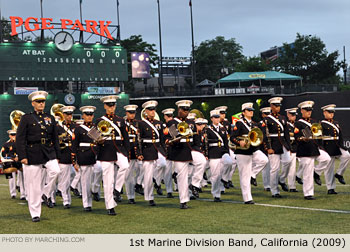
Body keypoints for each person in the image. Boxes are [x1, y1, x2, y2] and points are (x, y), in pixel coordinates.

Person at [16, 91, 61, 222]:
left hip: (48, 150)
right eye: (39, 102)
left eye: (43, 101)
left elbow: (55, 138)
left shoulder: (50, 118)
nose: (41, 104)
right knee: (33, 185)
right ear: (33, 103)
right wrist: (22, 156)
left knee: (56, 171)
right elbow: (20, 138)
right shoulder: (26, 118)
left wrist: (57, 154)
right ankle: (35, 213)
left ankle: (46, 193)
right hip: (32, 152)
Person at [96, 95, 130, 215]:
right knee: (108, 180)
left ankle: (117, 189)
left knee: (125, 166)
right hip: (105, 150)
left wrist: (128, 153)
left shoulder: (120, 120)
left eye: (113, 105)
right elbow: (96, 138)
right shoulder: (100, 121)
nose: (112, 108)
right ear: (105, 106)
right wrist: (98, 141)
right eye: (109, 105)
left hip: (119, 149)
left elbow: (126, 138)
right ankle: (110, 206)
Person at [231, 103, 267, 204]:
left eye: (252, 110)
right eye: (248, 110)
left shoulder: (254, 124)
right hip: (242, 152)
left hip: (252, 149)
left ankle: (253, 174)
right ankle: (247, 198)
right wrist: (239, 142)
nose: (251, 111)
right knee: (244, 175)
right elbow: (232, 137)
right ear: (243, 112)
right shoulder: (239, 123)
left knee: (264, 160)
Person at [294, 101, 330, 200]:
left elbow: (318, 134)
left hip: (314, 147)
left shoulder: (314, 121)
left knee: (326, 159)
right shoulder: (298, 123)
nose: (309, 112)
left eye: (310, 110)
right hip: (305, 149)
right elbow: (297, 136)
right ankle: (308, 193)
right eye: (307, 110)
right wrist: (302, 138)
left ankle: (316, 172)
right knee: (307, 173)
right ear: (302, 111)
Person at [165, 100, 196, 209]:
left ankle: (195, 185)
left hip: (191, 150)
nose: (186, 112)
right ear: (179, 110)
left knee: (201, 163)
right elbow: (173, 136)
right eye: (184, 110)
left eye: (187, 110)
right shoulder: (172, 122)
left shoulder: (191, 122)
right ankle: (183, 200)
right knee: (182, 176)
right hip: (179, 151)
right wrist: (176, 139)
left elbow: (196, 138)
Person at [138, 100, 166, 206]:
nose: (152, 111)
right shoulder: (141, 123)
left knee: (163, 164)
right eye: (150, 110)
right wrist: (139, 152)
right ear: (145, 111)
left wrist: (165, 150)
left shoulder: (159, 123)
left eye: (153, 109)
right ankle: (149, 197)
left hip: (158, 148)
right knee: (148, 175)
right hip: (147, 149)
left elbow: (162, 139)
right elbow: (139, 139)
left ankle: (157, 182)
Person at [263, 97, 291, 198]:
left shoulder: (283, 118)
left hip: (283, 143)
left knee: (288, 162)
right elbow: (265, 135)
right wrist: (268, 148)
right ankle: (274, 191)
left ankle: (282, 179)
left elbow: (286, 133)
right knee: (274, 168)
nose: (278, 108)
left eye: (279, 106)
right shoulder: (266, 119)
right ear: (271, 106)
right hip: (273, 145)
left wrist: (289, 147)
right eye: (276, 106)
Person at [71, 106, 98, 212]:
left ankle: (95, 190)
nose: (89, 116)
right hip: (84, 156)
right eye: (87, 114)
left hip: (95, 155)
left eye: (91, 115)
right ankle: (87, 203)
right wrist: (74, 161)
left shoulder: (95, 128)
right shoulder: (78, 129)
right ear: (83, 116)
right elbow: (74, 146)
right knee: (85, 181)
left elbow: (99, 142)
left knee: (99, 171)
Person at [320, 104, 350, 193]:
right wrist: (323, 148)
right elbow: (320, 137)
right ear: (324, 113)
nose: (332, 114)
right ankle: (330, 188)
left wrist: (342, 146)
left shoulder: (335, 123)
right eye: (329, 112)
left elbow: (340, 135)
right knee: (329, 168)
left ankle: (339, 174)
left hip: (337, 145)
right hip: (328, 146)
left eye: (332, 112)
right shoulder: (321, 124)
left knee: (347, 156)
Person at [206, 109, 232, 202]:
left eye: (218, 117)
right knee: (215, 175)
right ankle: (216, 194)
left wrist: (228, 153)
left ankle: (224, 179)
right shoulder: (208, 129)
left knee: (229, 162)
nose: (217, 119)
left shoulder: (223, 129)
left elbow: (226, 142)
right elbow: (206, 143)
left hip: (222, 151)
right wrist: (207, 155)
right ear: (211, 118)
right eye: (215, 117)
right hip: (213, 152)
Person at [56, 106, 76, 209]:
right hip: (64, 153)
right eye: (67, 114)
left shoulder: (75, 126)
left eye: (71, 114)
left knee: (73, 174)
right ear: (63, 115)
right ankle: (66, 200)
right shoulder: (59, 127)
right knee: (64, 179)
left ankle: (70, 189)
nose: (69, 116)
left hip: (74, 153)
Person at [124, 104, 142, 204]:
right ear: (126, 113)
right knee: (128, 175)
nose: (132, 115)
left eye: (134, 113)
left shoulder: (138, 123)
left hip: (138, 151)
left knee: (143, 168)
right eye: (130, 113)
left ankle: (138, 184)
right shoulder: (123, 123)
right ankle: (130, 196)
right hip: (128, 152)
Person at [215, 106, 237, 189]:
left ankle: (227, 179)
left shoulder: (227, 123)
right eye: (221, 113)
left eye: (224, 113)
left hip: (226, 146)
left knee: (233, 161)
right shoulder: (213, 125)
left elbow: (231, 134)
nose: (223, 115)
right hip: (217, 147)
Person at [1, 129, 24, 199]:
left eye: (15, 135)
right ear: (9, 135)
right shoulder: (6, 144)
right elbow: (3, 153)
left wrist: (18, 157)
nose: (13, 136)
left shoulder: (20, 142)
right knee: (11, 178)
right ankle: (13, 193)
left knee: (22, 177)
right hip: (10, 161)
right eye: (12, 135)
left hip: (20, 161)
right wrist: (12, 157)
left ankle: (23, 194)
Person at [280, 108, 299, 192]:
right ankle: (281, 179)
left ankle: (292, 186)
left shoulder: (296, 125)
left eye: (294, 115)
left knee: (293, 169)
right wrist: (287, 147)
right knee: (286, 166)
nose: (293, 117)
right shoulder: (286, 125)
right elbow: (283, 137)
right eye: (291, 115)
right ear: (288, 115)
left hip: (294, 148)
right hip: (288, 147)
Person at [161, 108, 176, 198]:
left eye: (171, 116)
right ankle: (169, 190)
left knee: (174, 170)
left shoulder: (172, 125)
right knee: (167, 171)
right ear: (165, 116)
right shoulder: (163, 126)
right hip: (167, 150)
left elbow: (174, 136)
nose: (170, 118)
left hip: (173, 148)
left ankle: (170, 189)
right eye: (168, 116)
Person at [258, 107, 271, 191]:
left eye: (268, 114)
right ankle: (267, 185)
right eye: (265, 114)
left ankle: (272, 183)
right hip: (264, 147)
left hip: (272, 145)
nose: (267, 116)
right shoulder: (259, 124)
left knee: (272, 167)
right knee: (266, 166)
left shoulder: (272, 122)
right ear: (262, 115)